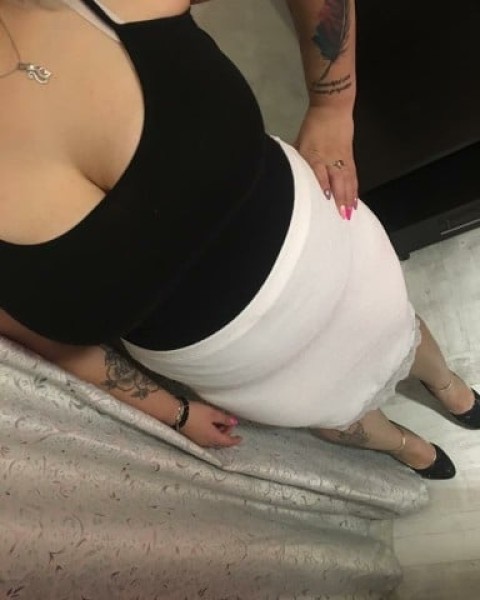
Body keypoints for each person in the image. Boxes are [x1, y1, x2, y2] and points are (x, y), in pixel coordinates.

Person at [0, 0, 478, 481]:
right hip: (246, 378)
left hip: (336, 264)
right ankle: (404, 445)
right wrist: (174, 413)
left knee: (400, 331)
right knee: (338, 416)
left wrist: (333, 105)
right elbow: (56, 346)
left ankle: (445, 383)